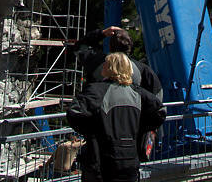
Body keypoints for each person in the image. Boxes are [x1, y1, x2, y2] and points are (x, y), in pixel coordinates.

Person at [67, 52, 166, 182]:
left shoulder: (97, 91)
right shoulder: (138, 93)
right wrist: (139, 129)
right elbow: (160, 112)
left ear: (110, 68)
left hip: (101, 161)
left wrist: (93, 131)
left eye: (105, 65)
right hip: (130, 159)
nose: (102, 67)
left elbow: (74, 113)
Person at [70, 25, 162, 98]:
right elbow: (157, 95)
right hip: (132, 117)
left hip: (102, 117)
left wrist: (102, 33)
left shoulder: (96, 63)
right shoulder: (143, 70)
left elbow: (79, 47)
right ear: (130, 46)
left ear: (110, 46)